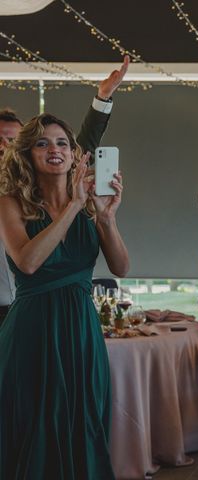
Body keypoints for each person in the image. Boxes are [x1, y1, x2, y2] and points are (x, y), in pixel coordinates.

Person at [0, 113, 128, 479]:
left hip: (82, 334)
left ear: (75, 156)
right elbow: (27, 262)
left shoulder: (92, 208)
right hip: (32, 332)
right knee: (36, 425)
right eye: (42, 143)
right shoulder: (11, 204)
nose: (53, 149)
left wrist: (106, 218)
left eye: (61, 143)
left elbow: (121, 267)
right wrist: (72, 205)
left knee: (84, 420)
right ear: (27, 155)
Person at [0, 56, 129, 326]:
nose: (5, 146)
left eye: (11, 139)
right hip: (25, 311)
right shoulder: (9, 200)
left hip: (66, 317)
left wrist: (103, 98)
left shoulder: (68, 187)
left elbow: (80, 148)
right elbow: (27, 262)